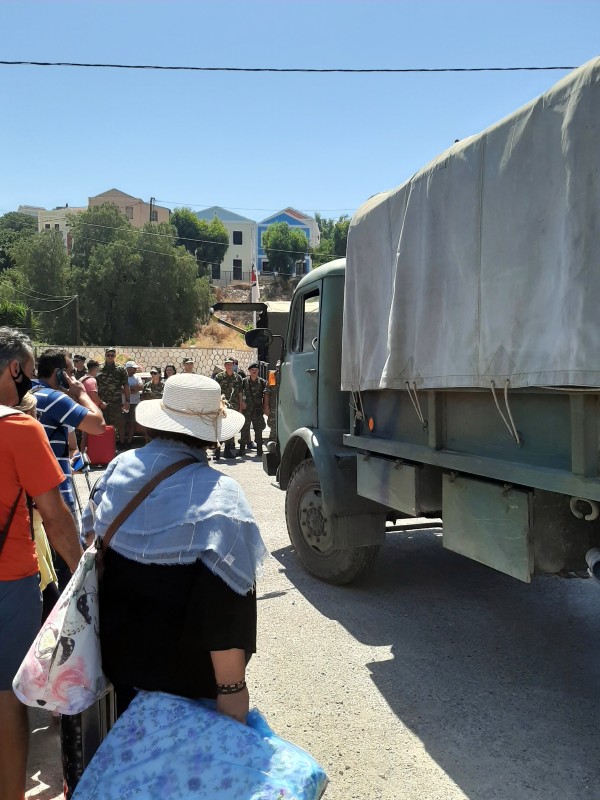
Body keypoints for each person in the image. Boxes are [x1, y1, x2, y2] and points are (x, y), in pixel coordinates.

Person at [81, 374, 268, 722]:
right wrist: (232, 691)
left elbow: (89, 542)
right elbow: (225, 605)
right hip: (188, 684)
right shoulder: (221, 497)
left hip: (118, 663)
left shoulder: (118, 467)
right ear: (210, 438)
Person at [0, 327, 82, 800]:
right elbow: (55, 517)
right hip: (9, 584)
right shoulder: (19, 429)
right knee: (6, 702)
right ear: (16, 369)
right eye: (30, 369)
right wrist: (86, 572)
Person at [33, 349, 106, 588]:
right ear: (60, 374)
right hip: (58, 499)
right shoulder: (54, 398)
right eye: (72, 373)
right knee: (69, 575)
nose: (75, 378)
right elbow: (98, 425)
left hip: (31, 501)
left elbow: (70, 445)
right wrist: (81, 393)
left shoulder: (26, 395)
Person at [96, 347, 130, 448]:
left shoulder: (121, 369)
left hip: (115, 402)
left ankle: (112, 449)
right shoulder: (99, 368)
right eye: (108, 355)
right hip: (100, 402)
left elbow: (126, 386)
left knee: (114, 427)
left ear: (115, 356)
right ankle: (101, 448)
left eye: (112, 355)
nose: (110, 357)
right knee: (100, 425)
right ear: (105, 355)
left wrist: (127, 401)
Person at [214, 358, 244, 459]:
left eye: (231, 364)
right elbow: (216, 392)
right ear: (224, 366)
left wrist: (240, 407)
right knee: (220, 427)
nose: (229, 366)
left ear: (233, 365)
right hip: (222, 406)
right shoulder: (219, 377)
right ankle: (217, 450)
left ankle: (228, 450)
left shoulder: (238, 377)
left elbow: (240, 393)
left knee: (231, 427)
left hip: (233, 406)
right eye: (227, 364)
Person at [239, 363, 269, 457]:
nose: (254, 371)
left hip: (257, 410)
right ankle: (242, 449)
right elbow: (239, 392)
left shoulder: (262, 382)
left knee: (258, 429)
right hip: (247, 410)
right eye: (252, 370)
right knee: (245, 429)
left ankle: (259, 450)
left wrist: (265, 406)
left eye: (256, 370)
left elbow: (267, 393)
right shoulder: (244, 382)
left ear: (258, 371)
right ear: (249, 371)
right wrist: (241, 403)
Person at [124, 360, 143, 446]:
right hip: (124, 403)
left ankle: (129, 441)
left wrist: (127, 389)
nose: (135, 369)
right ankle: (122, 441)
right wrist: (131, 389)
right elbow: (121, 389)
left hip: (135, 403)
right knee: (122, 422)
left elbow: (140, 386)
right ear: (128, 368)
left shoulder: (137, 377)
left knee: (132, 422)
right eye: (133, 368)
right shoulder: (123, 377)